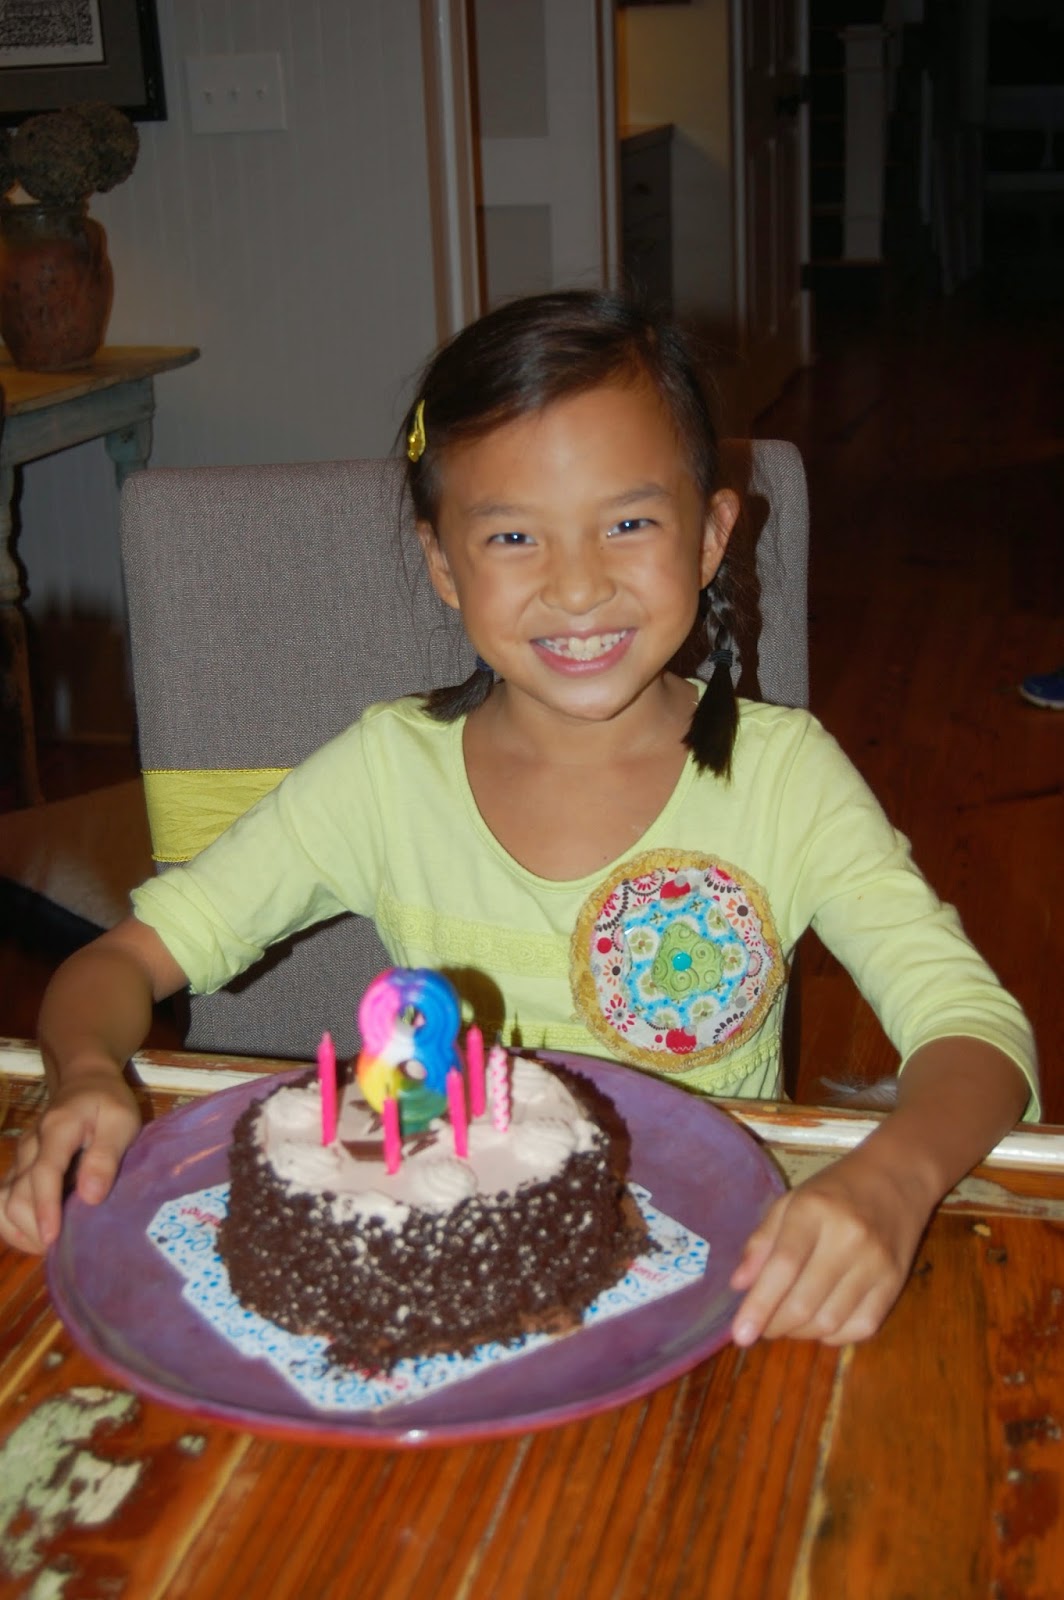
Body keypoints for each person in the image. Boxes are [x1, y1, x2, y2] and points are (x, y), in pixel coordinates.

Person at [0, 291, 1038, 1350]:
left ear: (712, 535)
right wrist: (84, 1074)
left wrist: (893, 1177)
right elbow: (117, 965)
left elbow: (977, 1035)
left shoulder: (787, 781)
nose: (577, 587)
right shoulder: (382, 778)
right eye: (511, 536)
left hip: (719, 1294)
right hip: (447, 1308)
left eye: (627, 523)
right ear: (444, 566)